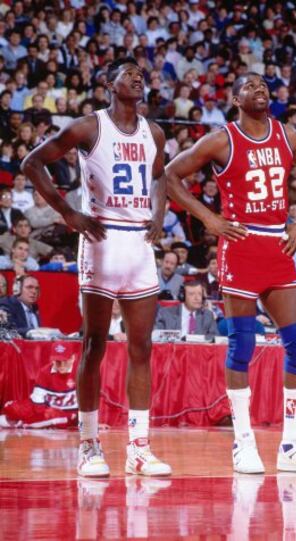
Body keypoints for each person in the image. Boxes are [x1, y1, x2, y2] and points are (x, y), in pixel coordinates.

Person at [166, 72, 296, 473]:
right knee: (241, 344)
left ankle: (292, 445)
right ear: (237, 98)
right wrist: (208, 217)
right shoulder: (222, 139)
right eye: (251, 86)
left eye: (264, 85)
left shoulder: (288, 134)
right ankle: (243, 442)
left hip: (278, 242)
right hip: (241, 244)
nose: (260, 90)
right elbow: (170, 174)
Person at [21, 57, 171, 478]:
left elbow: (160, 176)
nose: (138, 77)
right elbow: (32, 162)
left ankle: (138, 448)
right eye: (129, 73)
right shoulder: (89, 126)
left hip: (140, 244)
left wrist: (159, 213)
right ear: (108, 83)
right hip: (101, 242)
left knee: (142, 348)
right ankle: (89, 444)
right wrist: (68, 214)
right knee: (94, 346)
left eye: (142, 73)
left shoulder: (154, 131)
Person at [0, 341, 78, 429]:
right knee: (11, 408)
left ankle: (21, 423)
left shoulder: (81, 373)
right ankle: (31, 422)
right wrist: (45, 413)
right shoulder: (44, 372)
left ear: (73, 358)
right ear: (52, 359)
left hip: (69, 414)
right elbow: (37, 406)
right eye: (57, 361)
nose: (62, 366)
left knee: (60, 417)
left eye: (65, 361)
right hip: (45, 409)